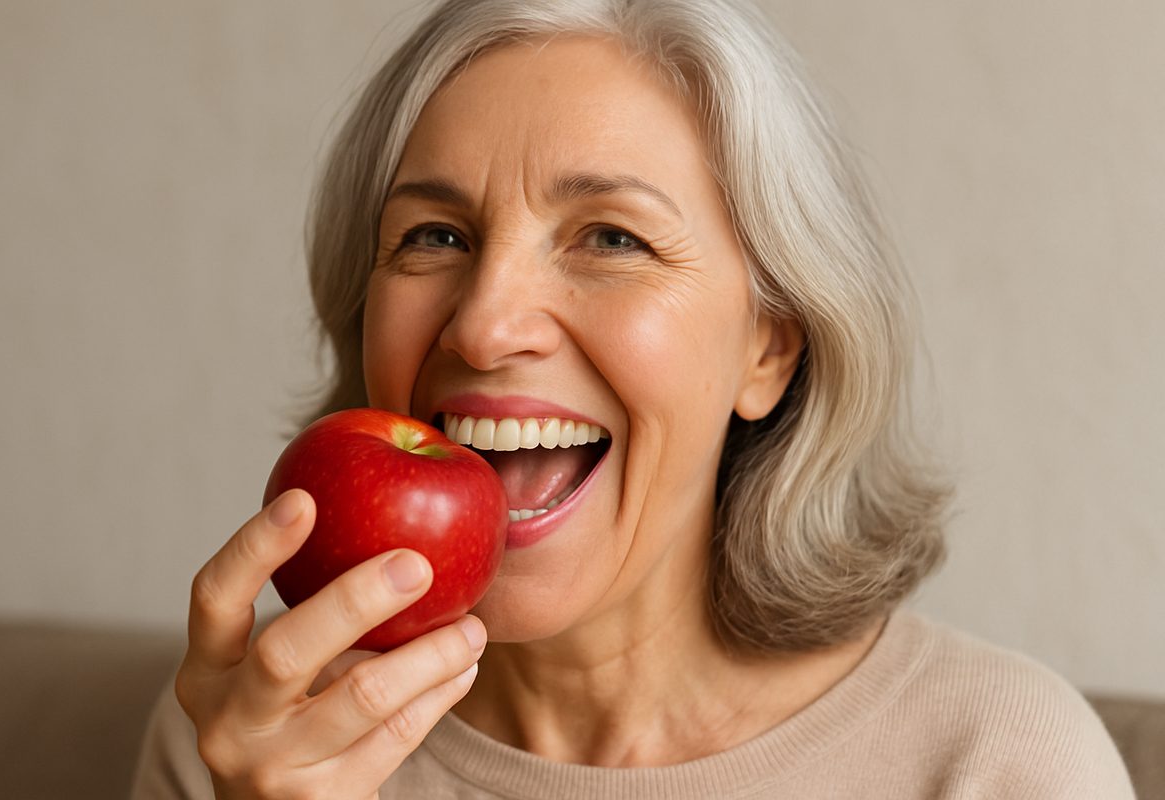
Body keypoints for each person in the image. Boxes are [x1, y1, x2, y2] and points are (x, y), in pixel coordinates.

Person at [132, 0, 1134, 797]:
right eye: (433, 236)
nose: (483, 324)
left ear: (768, 350)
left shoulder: (998, 762)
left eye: (611, 237)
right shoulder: (249, 730)